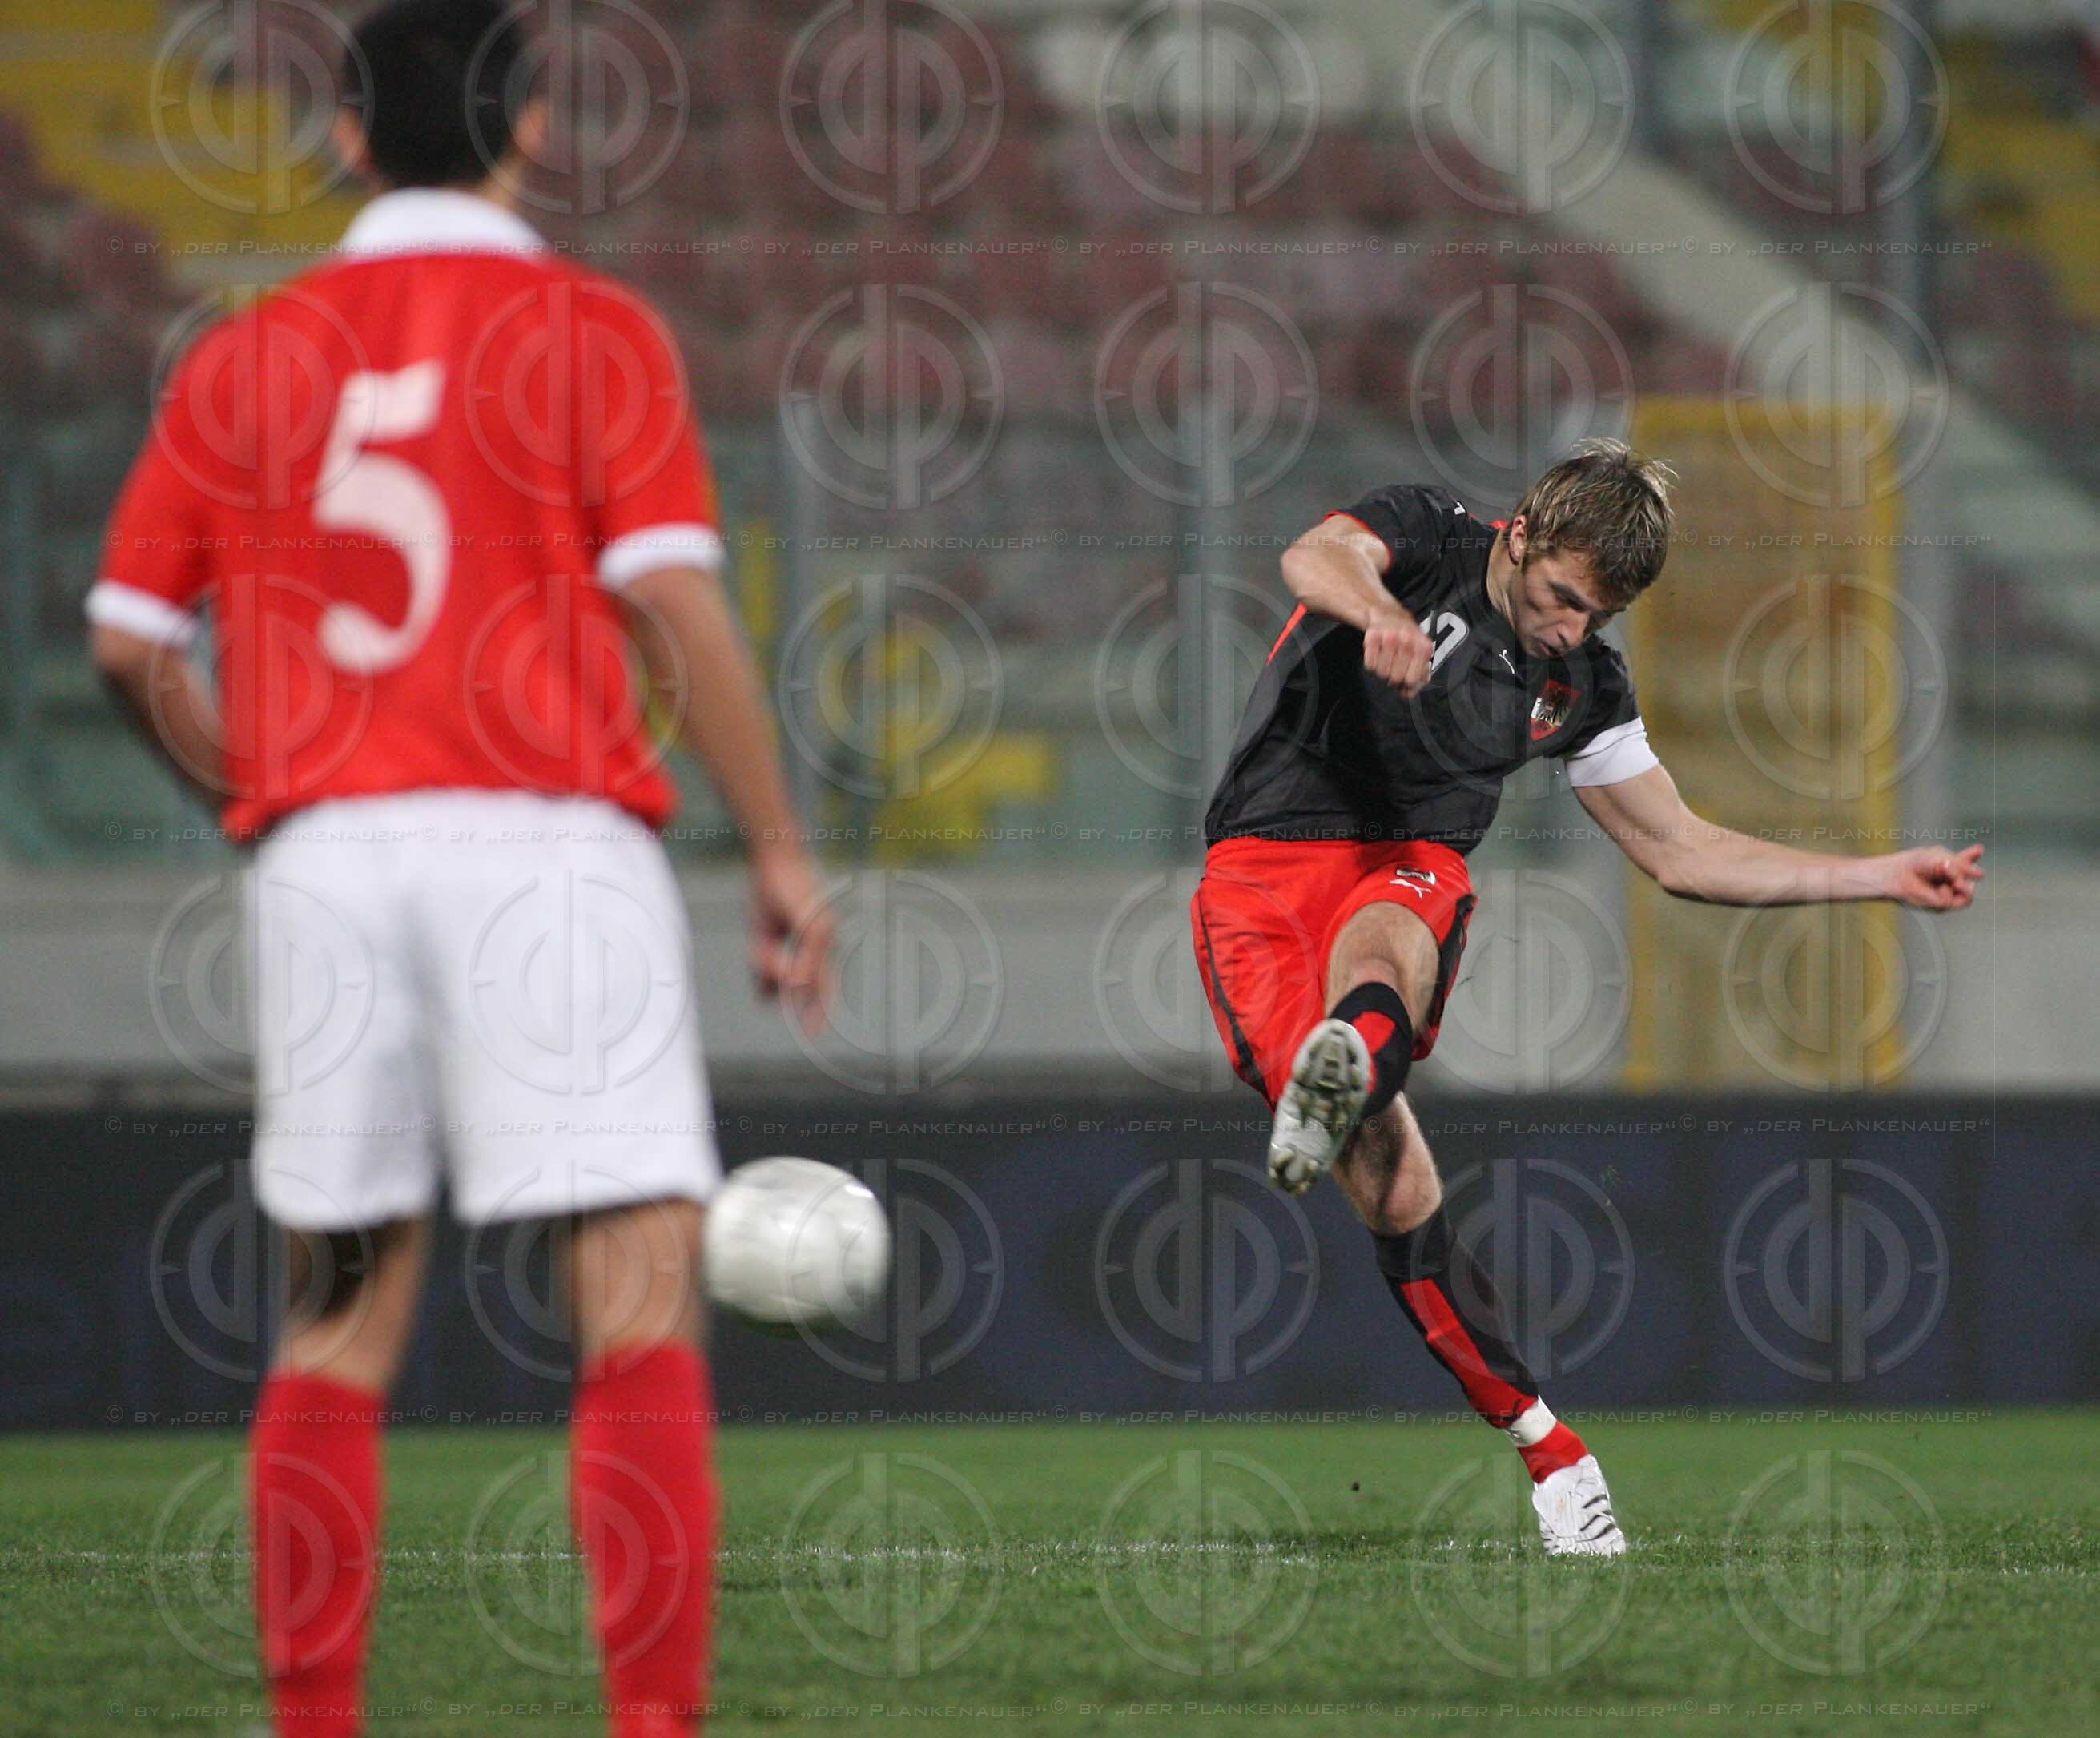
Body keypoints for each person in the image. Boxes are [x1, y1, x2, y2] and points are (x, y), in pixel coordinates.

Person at [86, 3, 828, 1732]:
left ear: (345, 134)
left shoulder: (242, 355)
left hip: (328, 859)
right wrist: (779, 846)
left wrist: (261, 792)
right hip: (551, 848)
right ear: (538, 125)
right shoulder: (586, 328)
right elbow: (673, 597)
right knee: (637, 1294)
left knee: (335, 1320)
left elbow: (127, 640)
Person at [1189, 438, 1982, 1555]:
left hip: (1406, 863)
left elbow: (1679, 848)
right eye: (1561, 597)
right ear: (1518, 534)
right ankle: (1545, 1438)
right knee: (1396, 1179)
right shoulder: (1423, 534)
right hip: (1261, 867)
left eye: (1593, 616)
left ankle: (1353, 1059)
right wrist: (1376, 610)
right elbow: (1313, 554)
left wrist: (1875, 876)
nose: (1567, 629)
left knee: (1391, 936)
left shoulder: (1579, 685)